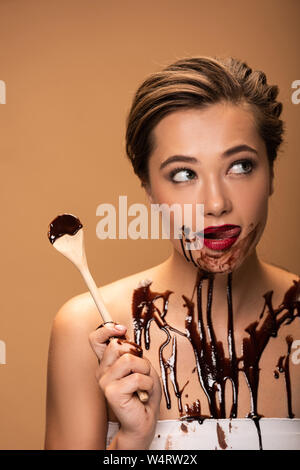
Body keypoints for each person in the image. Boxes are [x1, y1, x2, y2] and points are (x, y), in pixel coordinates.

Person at [44, 56, 300, 450]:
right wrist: (132, 440)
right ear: (148, 189)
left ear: (272, 173)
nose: (215, 203)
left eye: (240, 166)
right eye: (183, 174)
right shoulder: (87, 330)